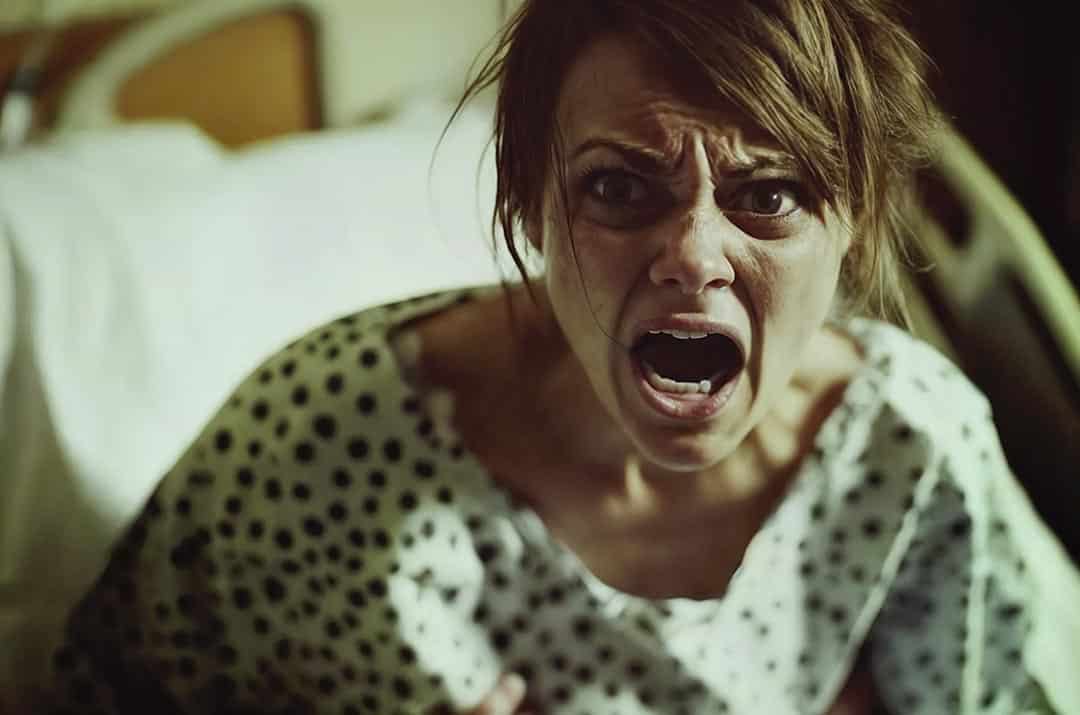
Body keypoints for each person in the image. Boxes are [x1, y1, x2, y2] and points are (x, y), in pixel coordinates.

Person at [33, 0, 1080, 713]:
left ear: (856, 226)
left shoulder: (912, 455)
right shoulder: (321, 458)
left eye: (769, 195)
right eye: (619, 187)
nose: (694, 255)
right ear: (530, 203)